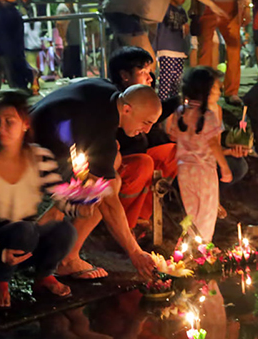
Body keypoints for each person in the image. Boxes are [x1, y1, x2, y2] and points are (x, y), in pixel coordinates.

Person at [30, 77, 161, 280]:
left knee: (112, 165)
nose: (147, 130)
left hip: (34, 133)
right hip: (30, 155)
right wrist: (135, 253)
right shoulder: (102, 131)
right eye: (146, 122)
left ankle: (56, 218)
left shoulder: (108, 89)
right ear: (127, 109)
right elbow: (109, 203)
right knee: (105, 190)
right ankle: (62, 254)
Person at [0, 92, 83, 309]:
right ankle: (0, 281)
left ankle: (44, 276)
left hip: (25, 239)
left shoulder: (39, 157)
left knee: (65, 230)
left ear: (25, 124)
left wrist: (81, 203)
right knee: (24, 230)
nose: (1, 128)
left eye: (9, 122)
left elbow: (61, 197)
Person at [109, 47, 180, 233]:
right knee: (144, 164)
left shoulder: (147, 95)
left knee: (174, 153)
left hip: (142, 154)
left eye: (149, 72)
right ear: (124, 75)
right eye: (143, 73)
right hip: (121, 163)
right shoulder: (115, 103)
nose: (150, 78)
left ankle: (143, 214)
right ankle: (125, 225)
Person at [167, 67, 232, 241]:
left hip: (184, 171)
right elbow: (213, 144)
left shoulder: (179, 112)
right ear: (208, 92)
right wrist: (224, 167)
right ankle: (204, 248)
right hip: (204, 171)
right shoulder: (208, 116)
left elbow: (172, 135)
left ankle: (189, 243)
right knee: (207, 211)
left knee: (191, 210)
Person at [196, 0, 252, 106]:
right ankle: (202, 90)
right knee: (205, 48)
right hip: (209, 7)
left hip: (232, 9)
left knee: (234, 48)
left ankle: (231, 91)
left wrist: (246, 8)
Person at [153, 0, 189, 100]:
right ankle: (162, 104)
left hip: (179, 49)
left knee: (176, 80)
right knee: (166, 79)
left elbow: (186, 29)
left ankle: (173, 103)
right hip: (166, 48)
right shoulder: (164, 8)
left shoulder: (182, 11)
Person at [56, 0, 82, 79]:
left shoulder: (74, 7)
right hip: (69, 41)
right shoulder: (63, 8)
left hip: (76, 41)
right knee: (68, 66)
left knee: (77, 66)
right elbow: (60, 24)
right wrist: (64, 39)